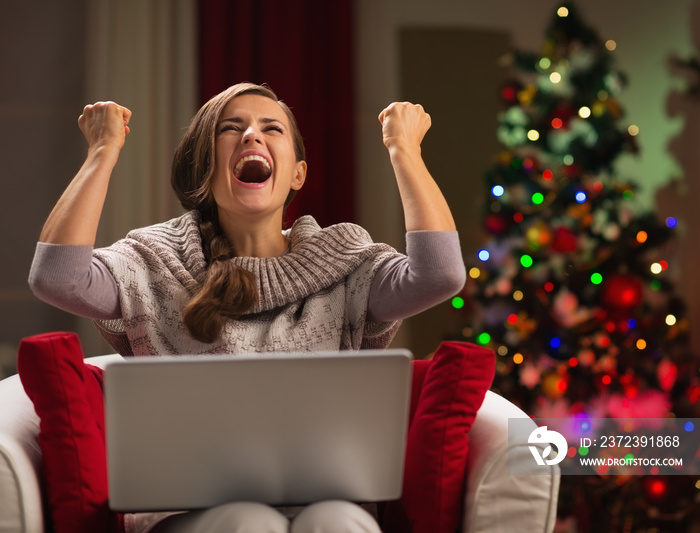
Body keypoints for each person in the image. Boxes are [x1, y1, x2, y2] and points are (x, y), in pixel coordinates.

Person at [29, 83, 466, 533]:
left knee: (340, 520)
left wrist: (404, 149)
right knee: (248, 521)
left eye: (270, 127)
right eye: (231, 128)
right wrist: (102, 152)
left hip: (325, 503)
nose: (251, 136)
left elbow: (440, 275)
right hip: (185, 514)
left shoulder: (346, 259)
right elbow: (56, 277)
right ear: (206, 166)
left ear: (298, 173)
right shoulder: (154, 260)